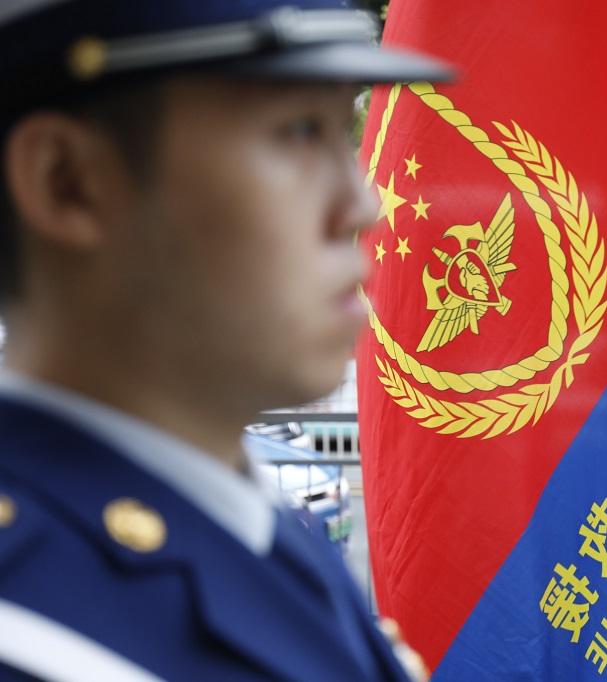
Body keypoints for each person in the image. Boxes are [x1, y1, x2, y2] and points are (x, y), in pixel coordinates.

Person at [0, 1, 451, 680]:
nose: (365, 206)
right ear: (67, 182)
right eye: (299, 131)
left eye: (341, 130)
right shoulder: (29, 633)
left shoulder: (255, 525)